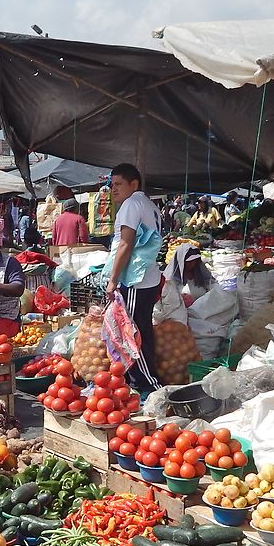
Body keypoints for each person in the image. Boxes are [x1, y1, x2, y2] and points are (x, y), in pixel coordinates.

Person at [105, 163, 163, 393]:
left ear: (134, 184)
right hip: (147, 278)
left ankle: (148, 383)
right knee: (140, 330)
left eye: (119, 184)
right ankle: (139, 382)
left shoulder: (131, 204)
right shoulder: (149, 204)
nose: (113, 189)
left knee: (133, 334)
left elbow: (125, 244)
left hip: (136, 280)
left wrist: (112, 279)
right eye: (112, 185)